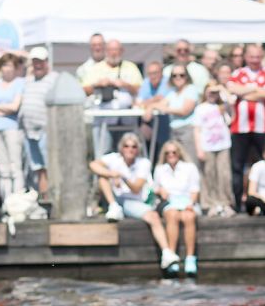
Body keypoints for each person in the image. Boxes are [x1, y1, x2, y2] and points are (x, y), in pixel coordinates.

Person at [89, 133, 181, 271]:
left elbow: (137, 188)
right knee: (102, 176)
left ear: (138, 149)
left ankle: (166, 252)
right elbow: (93, 165)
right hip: (116, 199)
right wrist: (111, 174)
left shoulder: (144, 163)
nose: (130, 149)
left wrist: (122, 176)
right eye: (126, 146)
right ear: (121, 148)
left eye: (133, 147)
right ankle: (113, 206)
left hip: (135, 201)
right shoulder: (114, 158)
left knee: (153, 217)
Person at [82, 38, 143, 157]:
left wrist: (125, 84)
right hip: (104, 121)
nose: (114, 53)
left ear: (122, 51)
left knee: (128, 152)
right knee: (104, 153)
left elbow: (141, 89)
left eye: (116, 50)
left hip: (127, 122)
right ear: (106, 51)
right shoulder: (96, 68)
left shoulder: (130, 67)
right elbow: (84, 90)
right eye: (110, 50)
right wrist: (98, 85)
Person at [225, 43, 265, 211]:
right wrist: (255, 89)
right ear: (246, 57)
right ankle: (237, 204)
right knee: (237, 167)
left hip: (261, 128)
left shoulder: (264, 72)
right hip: (239, 128)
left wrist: (245, 92)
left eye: (258, 57)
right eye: (252, 57)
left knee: (262, 164)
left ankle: (260, 204)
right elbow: (232, 89)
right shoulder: (238, 73)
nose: (255, 60)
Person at [153, 140, 201, 277]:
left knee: (188, 216)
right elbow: (155, 187)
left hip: (187, 201)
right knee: (172, 214)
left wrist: (190, 203)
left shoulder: (189, 167)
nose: (171, 155)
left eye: (174, 152)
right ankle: (172, 256)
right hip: (169, 202)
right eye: (167, 153)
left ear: (179, 153)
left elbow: (194, 190)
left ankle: (190, 258)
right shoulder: (160, 169)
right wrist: (160, 190)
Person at [19, 47, 59, 198]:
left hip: (46, 130)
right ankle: (45, 200)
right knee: (38, 168)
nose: (38, 65)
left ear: (47, 62)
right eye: (35, 62)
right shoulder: (29, 80)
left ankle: (54, 199)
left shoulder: (54, 78)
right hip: (29, 130)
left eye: (41, 62)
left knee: (50, 167)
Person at [0, 53, 26, 198]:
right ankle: (7, 201)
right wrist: (3, 107)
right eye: (4, 65)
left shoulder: (20, 82)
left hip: (13, 127)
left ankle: (18, 200)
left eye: (10, 65)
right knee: (3, 168)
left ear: (15, 68)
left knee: (15, 166)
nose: (7, 69)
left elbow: (15, 107)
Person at [192, 82, 235, 217]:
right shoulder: (200, 108)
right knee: (209, 175)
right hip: (207, 146)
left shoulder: (222, 106)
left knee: (224, 174)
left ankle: (226, 203)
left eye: (214, 92)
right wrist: (199, 149)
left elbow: (232, 102)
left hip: (223, 145)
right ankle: (211, 204)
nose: (212, 95)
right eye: (210, 92)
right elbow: (197, 130)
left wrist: (221, 88)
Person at [153, 64, 200, 166]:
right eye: (174, 75)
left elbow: (185, 111)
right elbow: (160, 104)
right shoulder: (173, 92)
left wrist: (165, 109)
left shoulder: (191, 89)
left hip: (188, 131)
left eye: (181, 75)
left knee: (191, 163)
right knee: (179, 164)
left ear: (186, 76)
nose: (178, 77)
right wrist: (150, 107)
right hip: (174, 132)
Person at [137, 60, 172, 156]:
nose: (153, 76)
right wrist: (153, 101)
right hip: (149, 122)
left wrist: (148, 104)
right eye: (150, 73)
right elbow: (138, 103)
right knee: (143, 142)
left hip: (166, 123)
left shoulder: (167, 82)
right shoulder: (146, 82)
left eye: (155, 73)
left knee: (163, 149)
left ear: (161, 73)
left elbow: (163, 99)